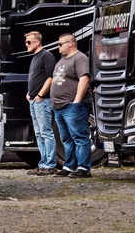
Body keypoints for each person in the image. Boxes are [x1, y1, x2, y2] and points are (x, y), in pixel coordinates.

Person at [50, 33, 93, 178]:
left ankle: (83, 168)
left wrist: (77, 101)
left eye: (60, 44)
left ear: (70, 43)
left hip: (72, 106)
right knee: (66, 139)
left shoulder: (80, 58)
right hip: (59, 107)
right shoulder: (62, 60)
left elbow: (84, 79)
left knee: (79, 136)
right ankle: (69, 166)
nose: (58, 47)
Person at [24, 31, 57, 176]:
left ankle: (50, 164)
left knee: (46, 132)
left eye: (29, 42)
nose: (26, 45)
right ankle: (43, 163)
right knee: (38, 133)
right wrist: (29, 93)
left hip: (42, 101)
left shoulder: (46, 56)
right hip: (34, 100)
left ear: (37, 42)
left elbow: (51, 77)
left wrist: (40, 94)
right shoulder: (35, 57)